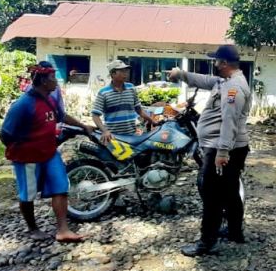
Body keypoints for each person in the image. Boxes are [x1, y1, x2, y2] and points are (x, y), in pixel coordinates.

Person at [168, 45, 252, 257]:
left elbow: (229, 121)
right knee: (231, 192)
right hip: (225, 148)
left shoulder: (234, 87)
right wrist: (182, 75)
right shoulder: (223, 82)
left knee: (212, 195)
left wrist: (222, 153)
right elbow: (203, 80)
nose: (214, 64)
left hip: (221, 149)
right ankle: (235, 232)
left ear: (224, 63)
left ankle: (206, 242)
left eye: (216, 61)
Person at [0, 62, 94, 242]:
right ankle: (33, 228)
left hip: (50, 152)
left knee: (61, 186)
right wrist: (22, 147)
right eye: (53, 79)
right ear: (43, 81)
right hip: (27, 156)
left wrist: (83, 126)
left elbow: (61, 116)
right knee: (27, 194)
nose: (57, 82)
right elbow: (5, 133)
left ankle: (63, 229)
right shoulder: (23, 104)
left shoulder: (49, 99)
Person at [91, 59, 158, 144]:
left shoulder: (131, 88)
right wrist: (104, 131)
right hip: (114, 137)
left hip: (131, 136)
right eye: (122, 71)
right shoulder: (103, 93)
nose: (126, 74)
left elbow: (139, 110)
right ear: (113, 73)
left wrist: (152, 121)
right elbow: (95, 115)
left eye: (126, 71)